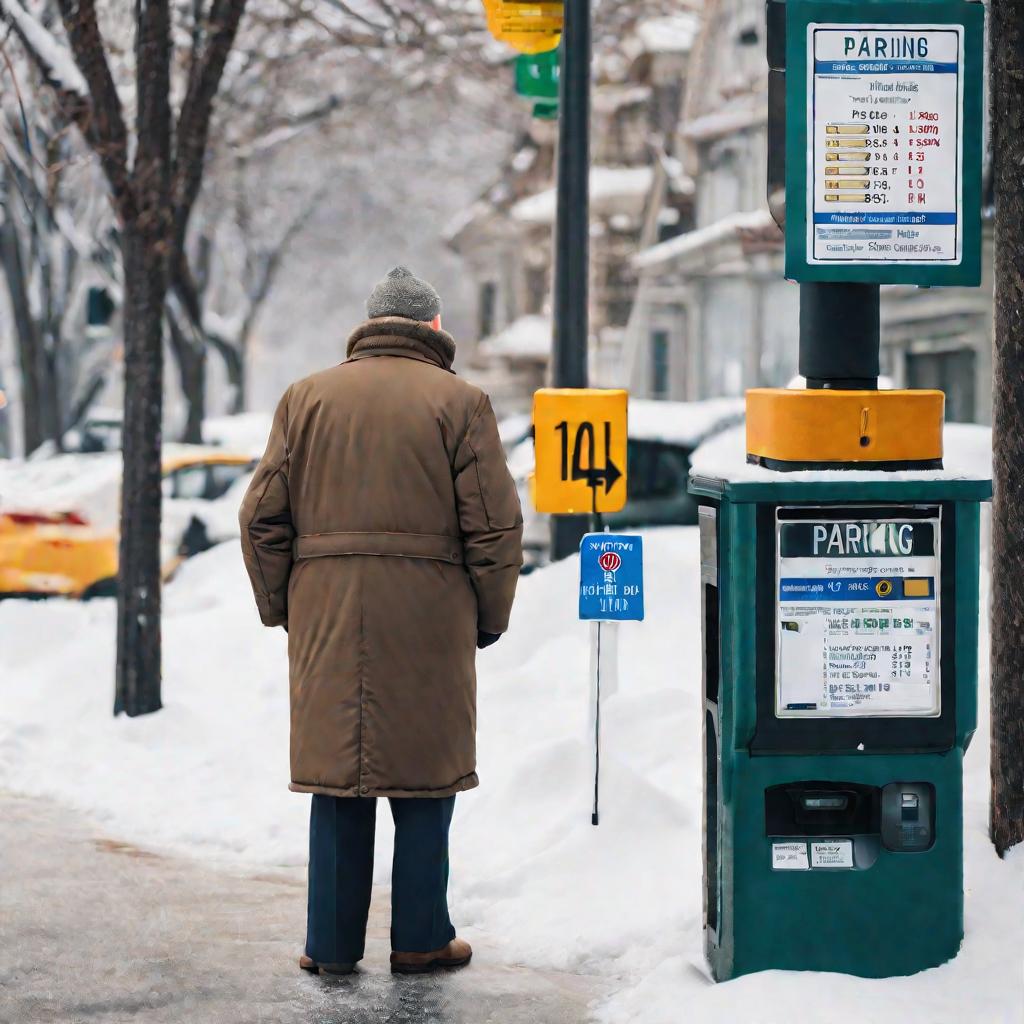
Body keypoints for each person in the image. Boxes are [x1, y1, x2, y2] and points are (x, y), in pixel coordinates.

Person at [238, 266, 524, 976]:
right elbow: (495, 528)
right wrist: (487, 619)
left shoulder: (305, 399)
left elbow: (259, 518)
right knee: (427, 781)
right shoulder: (462, 402)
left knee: (338, 782)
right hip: (431, 619)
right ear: (433, 328)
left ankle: (331, 945)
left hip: (327, 615)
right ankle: (423, 938)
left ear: (368, 325)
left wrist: (286, 607)